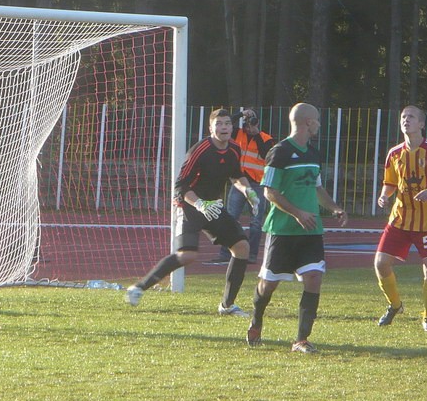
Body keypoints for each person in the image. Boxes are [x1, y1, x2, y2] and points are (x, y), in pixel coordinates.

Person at [124, 108, 260, 316]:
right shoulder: (200, 150)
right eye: (219, 124)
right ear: (211, 128)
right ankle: (138, 288)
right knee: (187, 255)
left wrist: (248, 191)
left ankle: (227, 305)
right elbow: (180, 187)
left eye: (227, 123)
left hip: (213, 207)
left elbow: (236, 175)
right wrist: (199, 204)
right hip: (189, 205)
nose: (224, 127)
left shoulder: (234, 148)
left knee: (242, 247)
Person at [246, 103, 347, 353]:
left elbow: (317, 188)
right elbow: (269, 192)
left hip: (311, 231)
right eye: (317, 120)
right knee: (268, 285)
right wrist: (298, 213)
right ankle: (256, 320)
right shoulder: (279, 152)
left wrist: (334, 208)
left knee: (314, 278)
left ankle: (301, 339)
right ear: (308, 122)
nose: (319, 125)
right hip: (282, 230)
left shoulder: (313, 153)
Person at [374, 105, 427, 332]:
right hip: (399, 219)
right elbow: (390, 183)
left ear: (421, 124)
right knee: (380, 263)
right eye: (403, 117)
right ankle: (395, 305)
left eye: (411, 117)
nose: (406, 120)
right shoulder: (394, 153)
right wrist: (384, 196)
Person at [204, 108, 275, 265]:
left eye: (252, 122)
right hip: (239, 182)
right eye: (247, 123)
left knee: (256, 223)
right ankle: (225, 253)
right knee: (230, 218)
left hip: (257, 184)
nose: (249, 126)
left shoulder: (266, 138)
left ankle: (252, 255)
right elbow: (226, 122)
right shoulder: (237, 134)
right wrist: (241, 114)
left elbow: (266, 155)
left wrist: (256, 134)